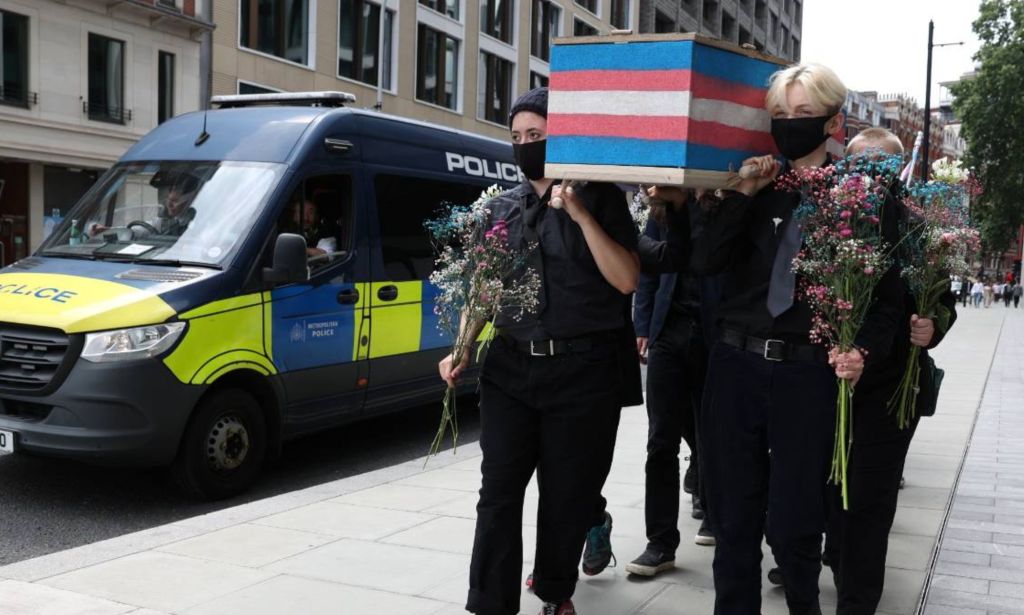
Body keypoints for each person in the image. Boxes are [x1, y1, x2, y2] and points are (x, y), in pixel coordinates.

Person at [686, 63, 904, 615]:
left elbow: (890, 297)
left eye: (802, 114)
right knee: (732, 520)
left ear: (833, 120)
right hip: (736, 368)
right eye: (779, 114)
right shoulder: (753, 184)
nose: (788, 124)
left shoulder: (866, 196)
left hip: (809, 375)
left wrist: (862, 351)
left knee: (795, 525)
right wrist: (740, 195)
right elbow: (705, 264)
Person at [439, 87, 641, 615]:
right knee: (498, 493)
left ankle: (555, 592)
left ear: (563, 135)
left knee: (566, 497)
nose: (526, 145)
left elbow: (626, 281)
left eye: (537, 134)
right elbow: (482, 289)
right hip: (510, 370)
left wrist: (578, 214)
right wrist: (461, 347)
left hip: (583, 374)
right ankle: (489, 602)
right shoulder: (501, 210)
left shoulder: (602, 200)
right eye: (518, 137)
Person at [821, 126, 957, 615]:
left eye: (882, 166)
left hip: (893, 387)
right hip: (834, 381)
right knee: (831, 486)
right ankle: (835, 552)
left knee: (871, 499)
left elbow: (944, 300)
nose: (871, 176)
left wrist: (932, 325)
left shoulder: (919, 229)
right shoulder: (831, 221)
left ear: (899, 170)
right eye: (861, 164)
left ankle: (857, 599)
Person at [625, 194, 720, 578]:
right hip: (669, 332)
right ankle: (660, 543)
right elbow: (648, 270)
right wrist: (643, 325)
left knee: (713, 434)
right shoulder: (662, 204)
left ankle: (714, 516)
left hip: (717, 334)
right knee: (660, 440)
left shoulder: (726, 199)